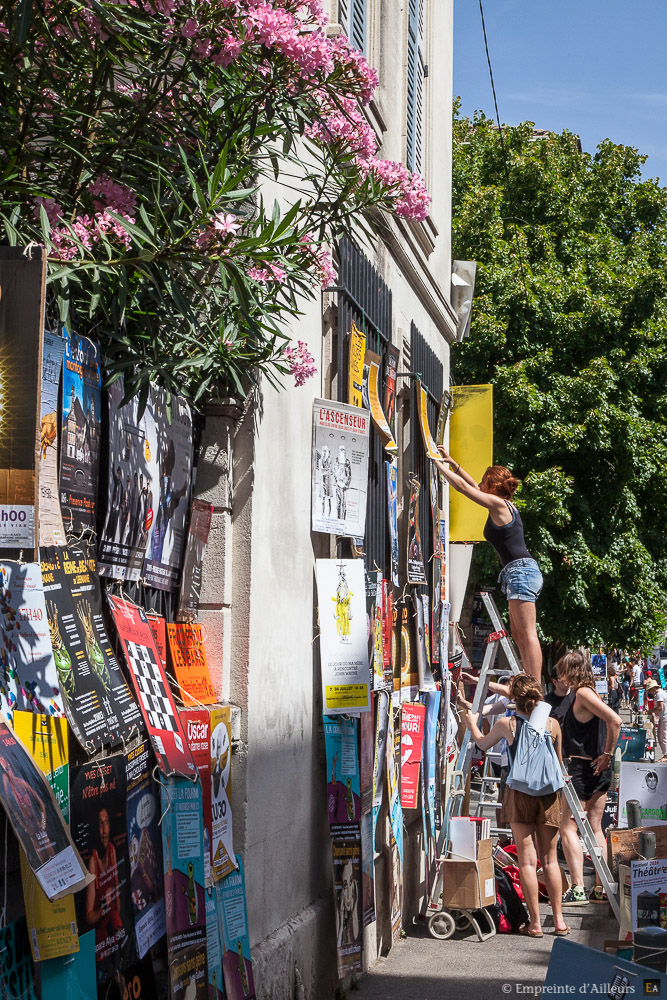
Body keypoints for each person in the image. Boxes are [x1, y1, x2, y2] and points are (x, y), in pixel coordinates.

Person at [466, 673, 570, 937]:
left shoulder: (507, 724)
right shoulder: (552, 724)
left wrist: (471, 723)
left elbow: (482, 743)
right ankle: (559, 921)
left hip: (519, 794)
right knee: (550, 861)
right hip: (548, 796)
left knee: (526, 861)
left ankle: (534, 924)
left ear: (513, 698)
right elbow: (558, 764)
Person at [433, 449, 543, 680]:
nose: (480, 483)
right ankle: (527, 676)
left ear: (493, 486)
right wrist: (453, 463)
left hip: (521, 571)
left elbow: (465, 489)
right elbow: (473, 485)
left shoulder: (499, 505)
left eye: (485, 481)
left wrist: (437, 465)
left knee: (527, 633)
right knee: (518, 633)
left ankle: (534, 684)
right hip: (517, 572)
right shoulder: (499, 503)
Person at [559, 651, 622, 904]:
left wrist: (607, 752)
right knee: (595, 827)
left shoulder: (583, 693)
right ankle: (600, 885)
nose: (560, 676)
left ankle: (577, 887)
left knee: (568, 828)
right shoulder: (589, 692)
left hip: (582, 769)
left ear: (571, 670)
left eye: (563, 670)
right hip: (594, 768)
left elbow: (615, 720)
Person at [85, 807, 124, 946]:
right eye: (100, 824)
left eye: (106, 822)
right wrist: (104, 909)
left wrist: (117, 925)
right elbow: (89, 917)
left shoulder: (112, 850)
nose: (104, 831)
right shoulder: (93, 862)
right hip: (100, 941)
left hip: (114, 934)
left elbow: (117, 896)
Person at [545, 663, 575, 729]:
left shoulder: (577, 697)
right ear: (555, 682)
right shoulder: (547, 702)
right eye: (564, 680)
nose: (568, 681)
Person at [646, 678, 667, 760]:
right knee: (661, 736)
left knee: (662, 736)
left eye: (650, 690)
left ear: (654, 688)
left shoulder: (659, 694)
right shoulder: (660, 693)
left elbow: (660, 707)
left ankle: (666, 755)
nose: (650, 692)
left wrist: (650, 711)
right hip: (663, 716)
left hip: (665, 716)